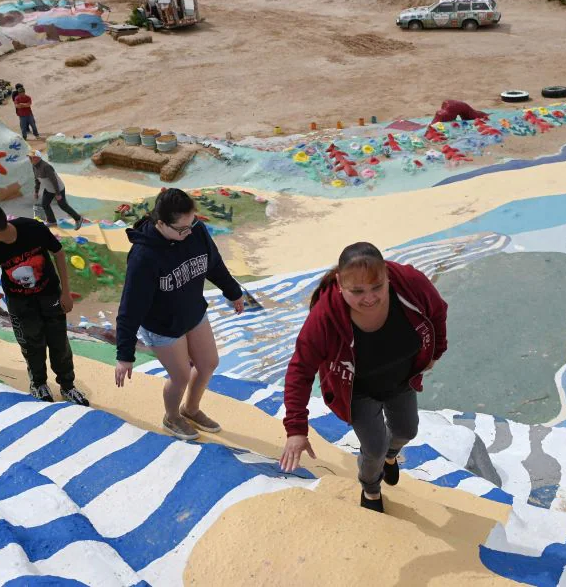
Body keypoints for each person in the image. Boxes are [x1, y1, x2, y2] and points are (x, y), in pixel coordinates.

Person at [279, 242, 448, 513]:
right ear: (340, 284)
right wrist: (296, 429)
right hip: (356, 390)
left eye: (377, 287)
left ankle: (391, 458)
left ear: (387, 276)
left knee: (407, 430)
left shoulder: (410, 283)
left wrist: (437, 350)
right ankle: (370, 487)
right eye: (357, 291)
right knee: (374, 447)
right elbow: (300, 369)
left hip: (400, 378)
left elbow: (437, 311)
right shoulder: (325, 316)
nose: (369, 298)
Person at [114, 188, 245, 440]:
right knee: (181, 375)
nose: (188, 232)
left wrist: (233, 292)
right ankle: (171, 416)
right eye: (181, 229)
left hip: (193, 312)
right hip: (162, 325)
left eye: (191, 224)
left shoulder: (195, 231)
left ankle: (190, 409)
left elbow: (213, 264)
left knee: (208, 363)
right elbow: (130, 307)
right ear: (161, 223)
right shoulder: (144, 256)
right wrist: (124, 355)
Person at [0, 200, 88, 406]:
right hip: (20, 303)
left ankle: (68, 386)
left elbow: (58, 253)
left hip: (50, 295)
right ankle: (38, 383)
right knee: (31, 344)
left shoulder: (33, 228)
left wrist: (65, 292)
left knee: (59, 343)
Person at [29, 151, 83, 230]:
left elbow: (54, 180)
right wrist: (36, 191)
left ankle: (78, 218)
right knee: (45, 204)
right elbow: (37, 180)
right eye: (30, 157)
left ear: (38, 158)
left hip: (58, 188)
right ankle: (52, 221)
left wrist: (58, 194)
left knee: (63, 206)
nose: (30, 159)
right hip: (48, 189)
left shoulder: (46, 166)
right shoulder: (34, 166)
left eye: (32, 157)